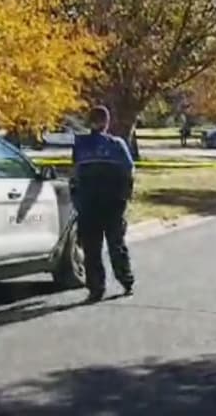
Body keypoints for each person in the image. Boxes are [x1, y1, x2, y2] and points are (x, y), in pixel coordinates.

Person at [71, 105, 136, 303]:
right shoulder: (116, 145)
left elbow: (75, 174)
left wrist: (77, 200)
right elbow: (129, 171)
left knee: (92, 248)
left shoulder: (80, 145)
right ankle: (126, 280)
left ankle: (96, 288)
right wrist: (126, 197)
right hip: (113, 203)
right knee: (116, 244)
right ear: (107, 123)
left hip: (89, 203)